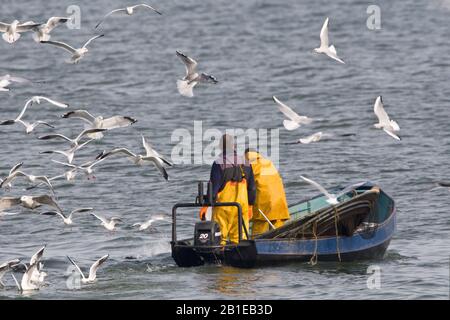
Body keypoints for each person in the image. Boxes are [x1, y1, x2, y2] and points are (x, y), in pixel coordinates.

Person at [202, 134, 256, 245]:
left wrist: (206, 205)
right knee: (240, 239)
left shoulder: (219, 163)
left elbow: (214, 187)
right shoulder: (246, 162)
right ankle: (240, 258)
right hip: (242, 207)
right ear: (235, 146)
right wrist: (250, 206)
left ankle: (220, 259)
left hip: (224, 208)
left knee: (220, 239)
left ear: (220, 147)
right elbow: (252, 187)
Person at [244, 149, 290, 237]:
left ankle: (255, 247)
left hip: (264, 204)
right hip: (279, 202)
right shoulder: (269, 163)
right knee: (279, 233)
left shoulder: (249, 165)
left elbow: (246, 185)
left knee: (258, 231)